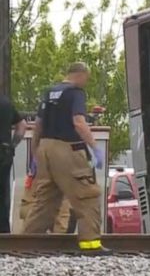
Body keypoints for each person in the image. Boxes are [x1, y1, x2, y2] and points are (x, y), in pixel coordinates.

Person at [22, 62, 107, 254]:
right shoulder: (75, 92)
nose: (86, 82)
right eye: (87, 78)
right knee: (87, 195)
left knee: (45, 200)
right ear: (81, 75)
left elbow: (38, 124)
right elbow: (79, 122)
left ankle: (26, 243)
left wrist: (36, 153)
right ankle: (90, 245)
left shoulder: (49, 92)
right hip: (67, 149)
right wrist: (94, 148)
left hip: (45, 147)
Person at [0, 95, 27, 233]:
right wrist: (12, 145)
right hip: (4, 152)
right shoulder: (6, 102)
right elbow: (22, 125)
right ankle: (3, 231)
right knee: (3, 192)